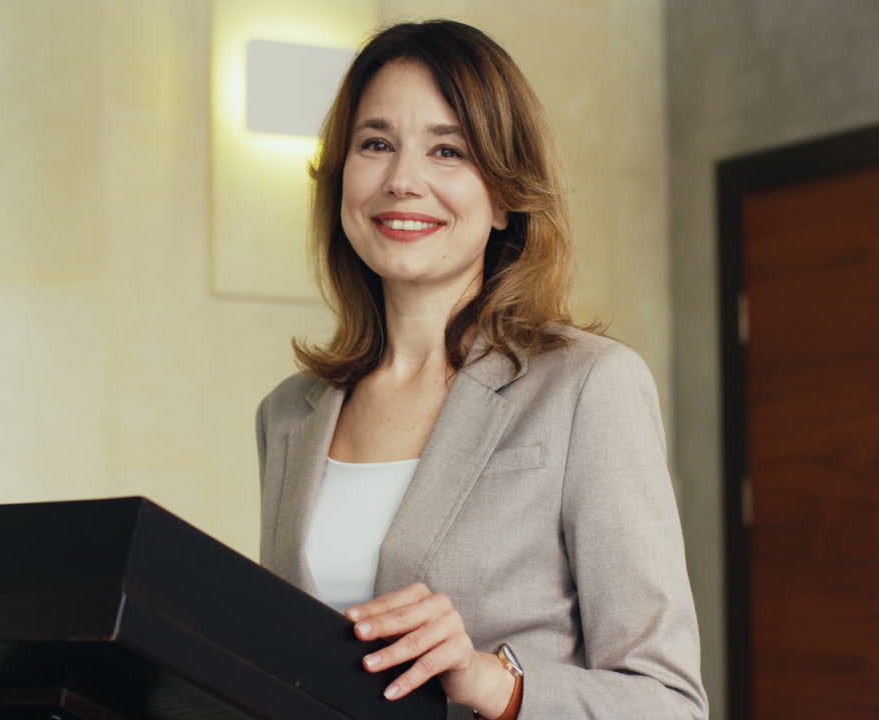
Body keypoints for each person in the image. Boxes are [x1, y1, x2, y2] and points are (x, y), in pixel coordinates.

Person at [254, 20, 708, 720]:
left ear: (503, 195)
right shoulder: (289, 414)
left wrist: (496, 684)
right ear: (342, 176)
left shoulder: (590, 387)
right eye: (376, 144)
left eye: (448, 151)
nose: (403, 180)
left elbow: (669, 702)